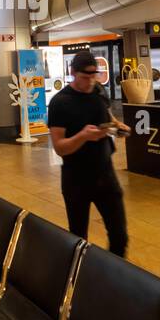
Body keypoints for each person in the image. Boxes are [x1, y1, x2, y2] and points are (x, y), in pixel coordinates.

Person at [48, 51, 131, 257]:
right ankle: (79, 276)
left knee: (119, 234)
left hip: (106, 174)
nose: (90, 81)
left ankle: (115, 273)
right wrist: (83, 136)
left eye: (94, 76)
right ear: (73, 73)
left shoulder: (99, 92)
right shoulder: (60, 102)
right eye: (85, 77)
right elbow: (59, 146)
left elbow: (109, 118)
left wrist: (118, 127)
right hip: (76, 177)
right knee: (78, 236)